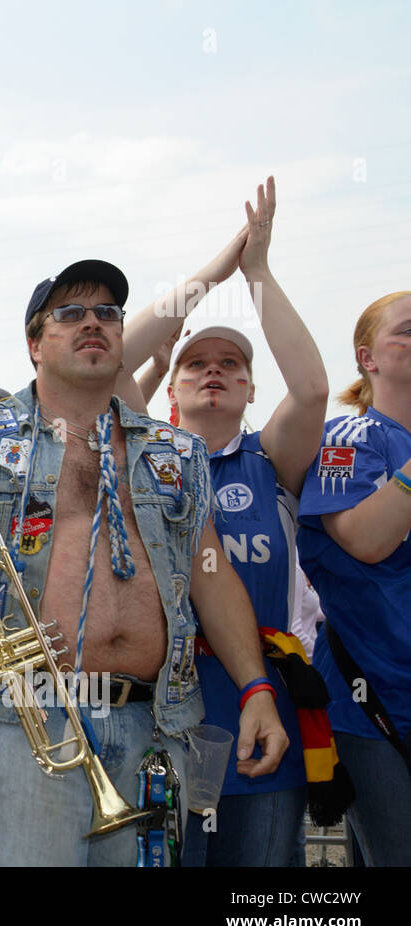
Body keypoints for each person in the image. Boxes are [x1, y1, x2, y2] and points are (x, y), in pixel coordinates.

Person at [0, 257, 288, 866]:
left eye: (108, 313)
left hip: (152, 722)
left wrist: (256, 687)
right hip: (14, 724)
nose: (93, 323)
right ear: (34, 344)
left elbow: (213, 580)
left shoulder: (175, 452)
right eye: (70, 314)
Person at [126, 178, 328, 866]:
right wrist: (215, 273)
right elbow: (114, 361)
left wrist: (259, 274)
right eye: (197, 364)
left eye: (232, 365)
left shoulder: (272, 458)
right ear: (172, 393)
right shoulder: (146, 458)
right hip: (163, 719)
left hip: (260, 708)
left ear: (248, 390)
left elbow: (312, 389)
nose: (215, 371)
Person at [297, 290, 411, 866]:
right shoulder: (351, 438)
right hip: (377, 699)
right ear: (368, 358)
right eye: (409, 330)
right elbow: (366, 541)